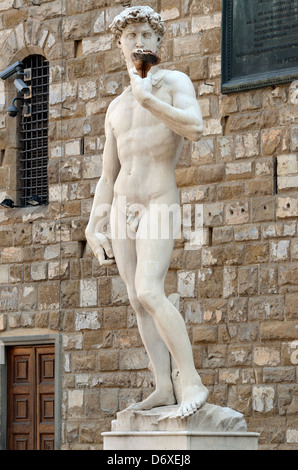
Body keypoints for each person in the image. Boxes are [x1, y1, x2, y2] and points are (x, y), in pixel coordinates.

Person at [85, 5, 208, 418]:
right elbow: (107, 174)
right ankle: (162, 386)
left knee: (150, 289)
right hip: (122, 205)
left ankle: (189, 380)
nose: (138, 42)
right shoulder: (115, 108)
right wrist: (92, 224)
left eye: (145, 34)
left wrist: (149, 99)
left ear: (158, 42)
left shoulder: (173, 83)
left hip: (159, 200)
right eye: (130, 36)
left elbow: (195, 127)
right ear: (120, 46)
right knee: (137, 301)